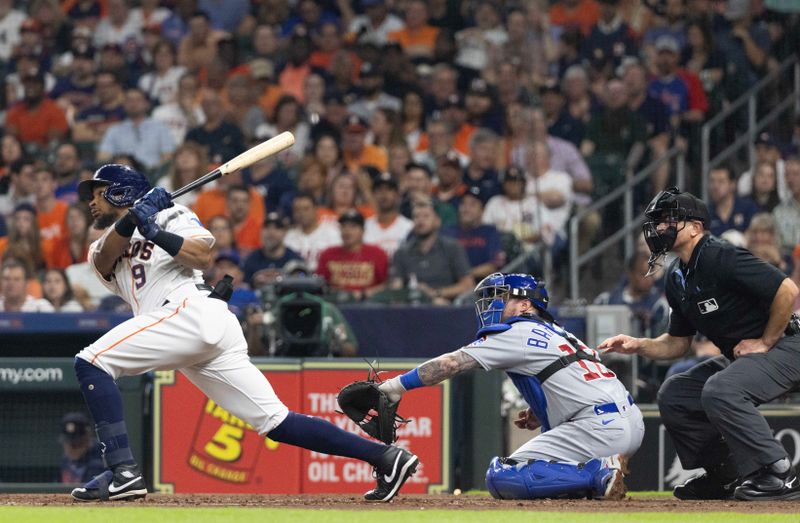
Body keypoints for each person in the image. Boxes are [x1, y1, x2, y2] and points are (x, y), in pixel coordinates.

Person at [69, 163, 417, 502]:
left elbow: (202, 255)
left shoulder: (171, 213)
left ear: (120, 192)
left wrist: (156, 229)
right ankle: (386, 458)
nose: (91, 202)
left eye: (98, 194)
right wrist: (133, 219)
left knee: (91, 362)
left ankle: (123, 472)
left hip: (190, 310)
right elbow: (104, 259)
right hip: (184, 327)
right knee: (275, 422)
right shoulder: (102, 243)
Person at [598, 187, 800, 501]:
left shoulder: (720, 254)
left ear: (696, 227)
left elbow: (787, 290)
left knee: (721, 388)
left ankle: (773, 475)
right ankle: (724, 475)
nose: (661, 227)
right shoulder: (676, 276)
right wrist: (638, 344)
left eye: (669, 220)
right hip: (748, 358)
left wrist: (765, 341)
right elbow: (677, 344)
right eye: (659, 221)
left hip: (788, 345)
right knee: (676, 394)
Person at [378, 272, 641, 500]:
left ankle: (600, 473)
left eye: (502, 297)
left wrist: (392, 388)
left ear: (525, 304)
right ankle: (600, 474)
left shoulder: (518, 330)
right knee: (546, 475)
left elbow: (450, 364)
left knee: (502, 476)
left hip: (597, 429)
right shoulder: (559, 331)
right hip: (628, 420)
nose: (493, 303)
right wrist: (542, 409)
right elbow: (571, 376)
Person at [59, 411, 105, 484]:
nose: (72, 448)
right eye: (69, 443)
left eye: (77, 444)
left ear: (88, 437)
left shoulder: (100, 460)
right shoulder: (65, 460)